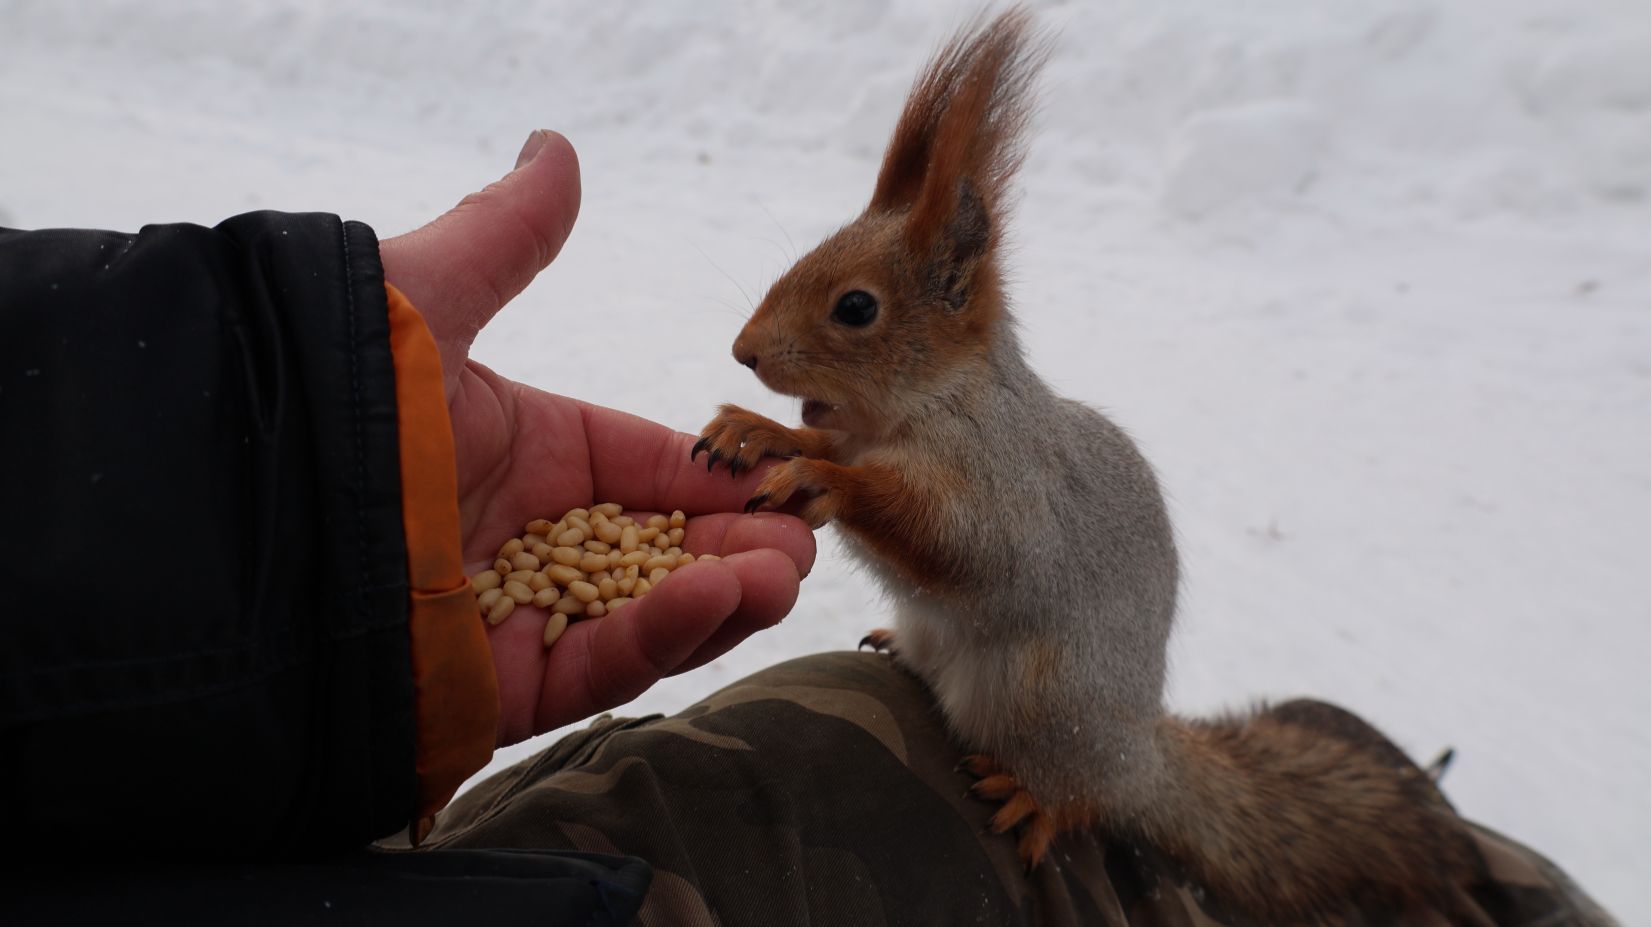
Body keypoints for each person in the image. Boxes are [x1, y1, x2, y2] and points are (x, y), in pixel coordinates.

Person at [0, 132, 1615, 926]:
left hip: (1052, 693)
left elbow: (968, 549)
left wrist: (289, 477)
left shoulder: (973, 430)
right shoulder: (899, 417)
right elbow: (887, 511)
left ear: (948, 312)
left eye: (840, 321)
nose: (775, 348)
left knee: (1001, 734)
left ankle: (1093, 798)